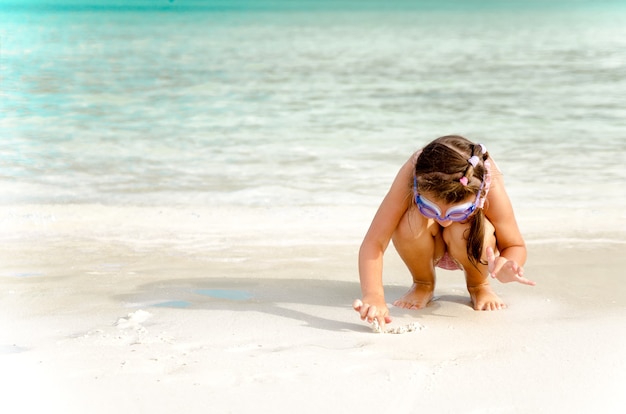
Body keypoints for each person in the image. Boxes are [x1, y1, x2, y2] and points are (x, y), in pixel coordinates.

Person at [353, 135, 535, 329]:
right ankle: (423, 283)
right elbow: (374, 241)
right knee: (409, 221)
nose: (444, 222)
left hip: (471, 244)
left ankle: (478, 285)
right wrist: (373, 296)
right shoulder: (415, 172)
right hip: (424, 244)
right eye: (429, 208)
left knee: (464, 228)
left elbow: (514, 244)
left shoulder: (485, 179)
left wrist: (507, 264)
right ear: (417, 187)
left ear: (479, 194)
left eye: (459, 212)